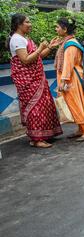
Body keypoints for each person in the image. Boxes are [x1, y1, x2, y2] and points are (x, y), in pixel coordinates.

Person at [9, 14, 62, 148]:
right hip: (27, 80)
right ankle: (36, 139)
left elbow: (37, 57)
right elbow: (25, 60)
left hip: (37, 78)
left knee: (43, 105)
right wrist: (40, 48)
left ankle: (42, 135)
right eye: (27, 22)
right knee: (35, 107)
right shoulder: (17, 39)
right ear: (19, 24)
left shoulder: (25, 38)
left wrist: (50, 47)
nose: (30, 24)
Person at [55, 17, 84, 142]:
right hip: (73, 78)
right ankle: (81, 129)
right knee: (76, 103)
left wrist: (63, 80)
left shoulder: (70, 45)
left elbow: (68, 64)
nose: (56, 29)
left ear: (65, 29)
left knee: (75, 104)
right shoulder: (68, 42)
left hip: (71, 79)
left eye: (58, 27)